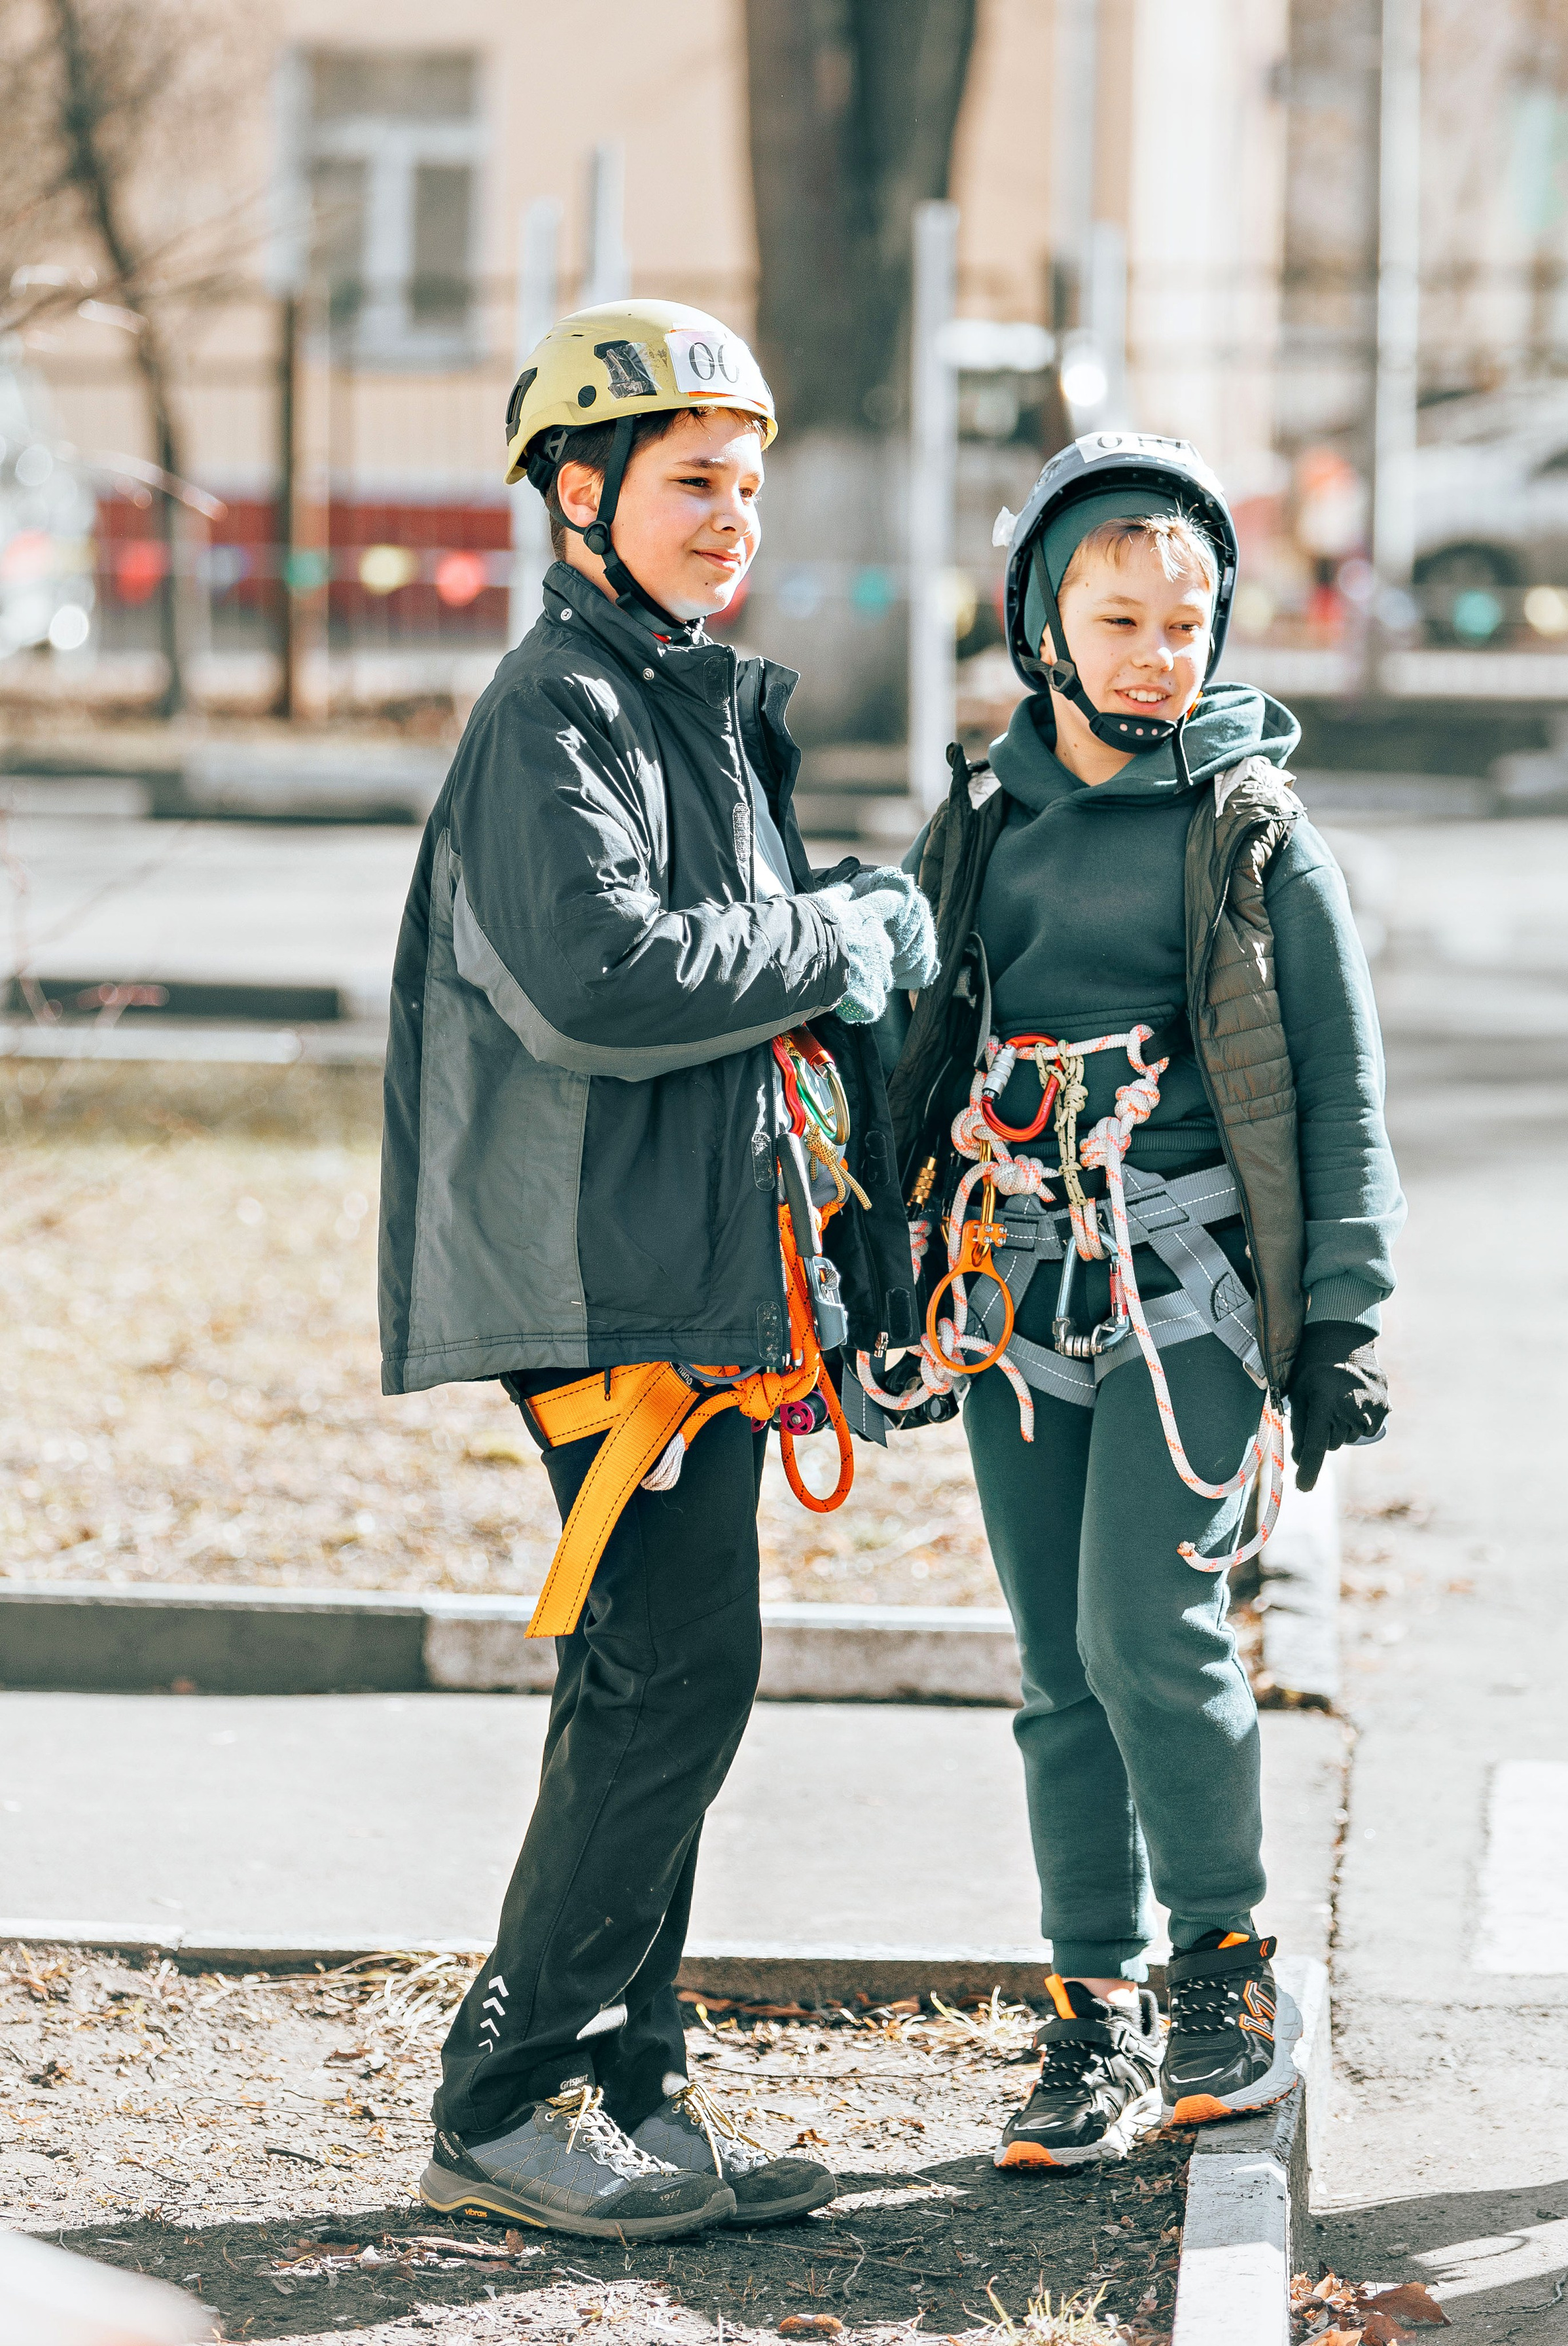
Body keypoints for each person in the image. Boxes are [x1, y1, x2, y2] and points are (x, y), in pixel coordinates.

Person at [378, 299, 929, 2237]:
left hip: (695, 1271)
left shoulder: (681, 700)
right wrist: (834, 936)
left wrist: (837, 930)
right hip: (603, 1285)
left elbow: (744, 978)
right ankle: (509, 2095)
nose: (734, 519)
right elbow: (603, 980)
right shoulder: (561, 712)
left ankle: (629, 2078)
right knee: (678, 1674)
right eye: (696, 483)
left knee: (656, 1677)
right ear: (579, 494)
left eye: (751, 488)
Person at [874, 433, 1404, 2167]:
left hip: (1194, 1293)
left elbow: (1339, 1087)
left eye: (1188, 618)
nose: (1159, 652)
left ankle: (1228, 1970)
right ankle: (1086, 2013)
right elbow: (919, 1050)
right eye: (1118, 618)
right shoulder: (989, 825)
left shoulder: (1257, 833)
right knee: (1052, 1668)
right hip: (1017, 1293)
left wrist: (1342, 1323)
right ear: (1041, 623)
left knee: (1147, 1637)